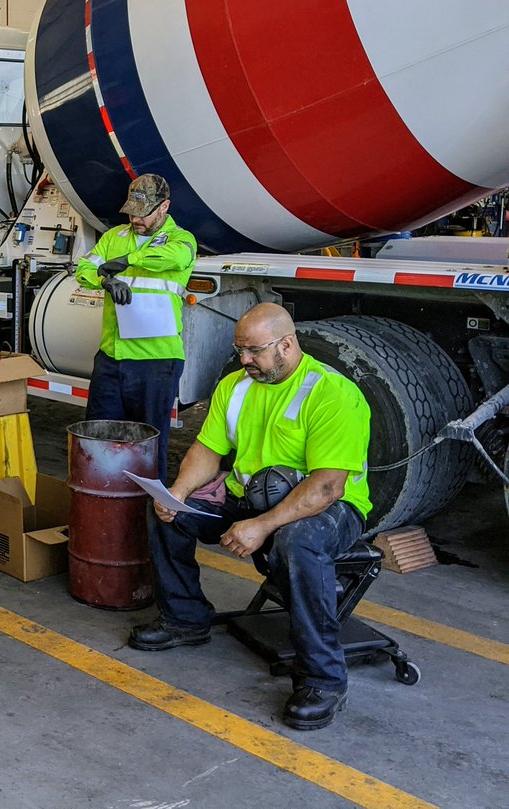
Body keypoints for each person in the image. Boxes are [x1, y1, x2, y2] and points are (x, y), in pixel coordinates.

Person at [128, 303, 372, 730]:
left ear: (286, 344)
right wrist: (178, 493)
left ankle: (323, 680)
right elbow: (207, 449)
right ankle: (185, 618)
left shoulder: (333, 393)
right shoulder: (235, 386)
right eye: (240, 350)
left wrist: (263, 526)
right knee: (168, 514)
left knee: (299, 541)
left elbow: (327, 487)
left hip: (330, 509)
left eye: (254, 351)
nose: (245, 361)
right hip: (249, 498)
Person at [74, 173, 196, 477]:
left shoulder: (182, 240)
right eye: (131, 211)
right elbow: (83, 268)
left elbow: (172, 259)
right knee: (98, 440)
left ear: (164, 206)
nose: (136, 218)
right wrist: (104, 280)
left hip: (155, 361)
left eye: (143, 212)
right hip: (111, 359)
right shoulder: (113, 236)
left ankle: (149, 518)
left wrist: (126, 261)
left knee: (148, 448)